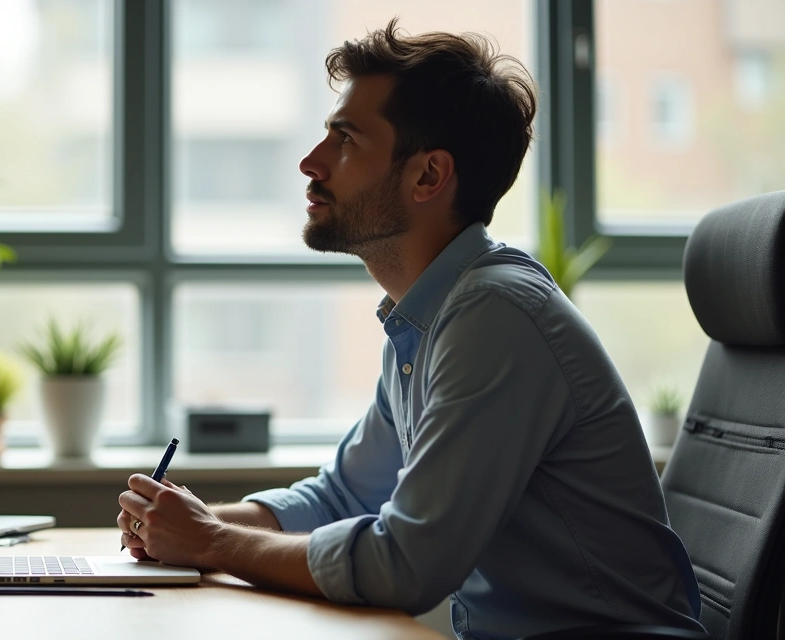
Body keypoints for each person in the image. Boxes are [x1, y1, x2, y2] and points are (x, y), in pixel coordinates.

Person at [116, 19, 705, 640]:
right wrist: (188, 523)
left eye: (345, 140)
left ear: (428, 176)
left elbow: (407, 563)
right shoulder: (428, 319)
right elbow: (346, 495)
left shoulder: (496, 318)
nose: (309, 162)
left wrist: (210, 541)